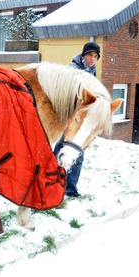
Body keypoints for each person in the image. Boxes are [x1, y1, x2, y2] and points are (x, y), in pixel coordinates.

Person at [56, 41, 101, 198]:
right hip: (69, 116)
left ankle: (70, 188)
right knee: (62, 149)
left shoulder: (92, 71)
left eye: (95, 56)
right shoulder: (74, 70)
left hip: (80, 119)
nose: (92, 59)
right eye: (90, 55)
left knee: (77, 152)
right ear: (84, 55)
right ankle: (54, 182)